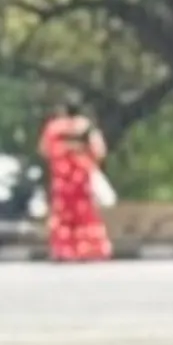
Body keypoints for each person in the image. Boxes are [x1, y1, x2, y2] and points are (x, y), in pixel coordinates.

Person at [41, 112, 113, 263]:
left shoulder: (57, 133)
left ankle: (71, 250)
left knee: (76, 219)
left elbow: (45, 149)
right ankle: (82, 249)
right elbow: (99, 151)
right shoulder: (76, 133)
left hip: (73, 188)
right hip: (71, 188)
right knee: (76, 218)